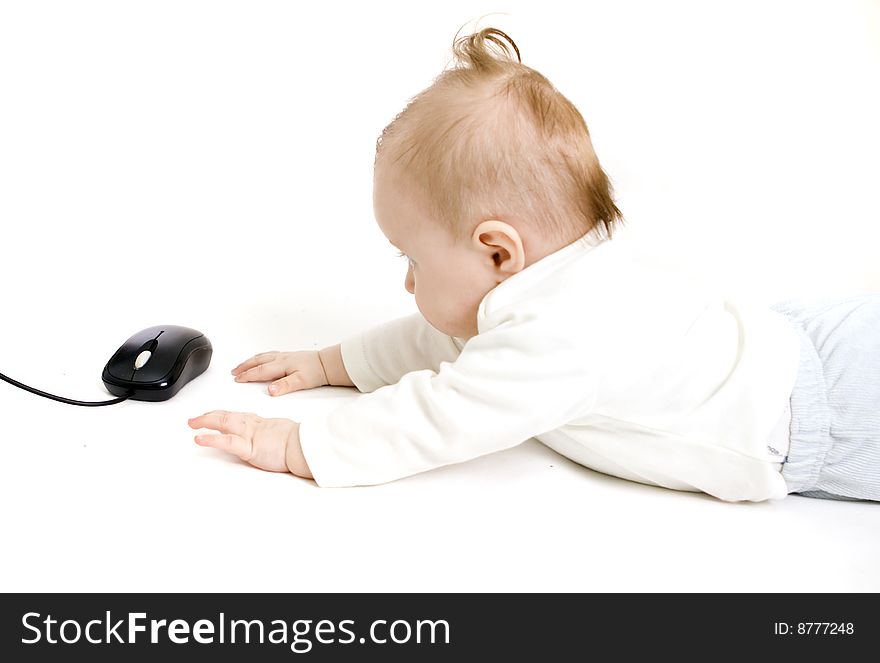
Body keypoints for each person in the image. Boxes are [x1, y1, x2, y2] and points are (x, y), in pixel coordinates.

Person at [188, 27, 879, 503]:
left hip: (831, 411)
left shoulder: (560, 333)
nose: (408, 281)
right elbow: (454, 339)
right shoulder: (556, 280)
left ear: (497, 251)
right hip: (798, 348)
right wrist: (333, 363)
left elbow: (443, 412)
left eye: (413, 259)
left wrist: (300, 445)